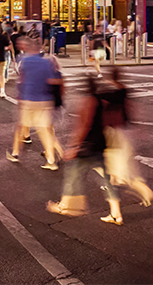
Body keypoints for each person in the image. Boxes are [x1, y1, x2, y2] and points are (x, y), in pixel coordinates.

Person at [46, 75, 122, 224]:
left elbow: (83, 126)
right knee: (106, 180)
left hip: (87, 147)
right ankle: (116, 213)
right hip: (100, 145)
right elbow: (107, 122)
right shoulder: (101, 101)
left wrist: (74, 147)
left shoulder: (88, 102)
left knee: (72, 175)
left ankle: (66, 206)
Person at [6, 37, 63, 171]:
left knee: (21, 126)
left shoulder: (24, 60)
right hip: (44, 100)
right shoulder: (45, 62)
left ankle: (15, 153)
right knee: (44, 130)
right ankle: (51, 160)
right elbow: (52, 80)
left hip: (28, 99)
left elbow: (21, 80)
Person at [101, 67, 153, 206]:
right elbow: (131, 108)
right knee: (118, 160)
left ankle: (144, 190)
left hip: (114, 131)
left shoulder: (108, 92)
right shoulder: (123, 89)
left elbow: (103, 112)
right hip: (125, 128)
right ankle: (112, 181)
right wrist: (138, 126)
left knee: (117, 163)